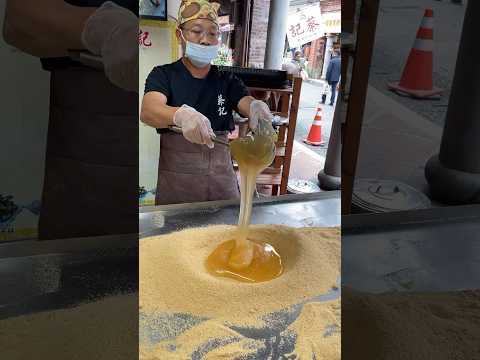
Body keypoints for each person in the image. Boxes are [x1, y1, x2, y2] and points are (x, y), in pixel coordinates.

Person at [3, 1, 138, 239]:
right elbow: (19, 21)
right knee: (91, 265)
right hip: (92, 137)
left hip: (179, 150)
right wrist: (105, 30)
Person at [140, 0, 273, 205]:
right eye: (196, 31)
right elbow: (149, 110)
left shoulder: (226, 79)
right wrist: (181, 116)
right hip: (177, 180)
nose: (205, 40)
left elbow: (244, 100)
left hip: (222, 174)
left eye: (212, 33)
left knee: (226, 228)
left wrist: (256, 107)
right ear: (180, 35)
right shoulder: (163, 75)